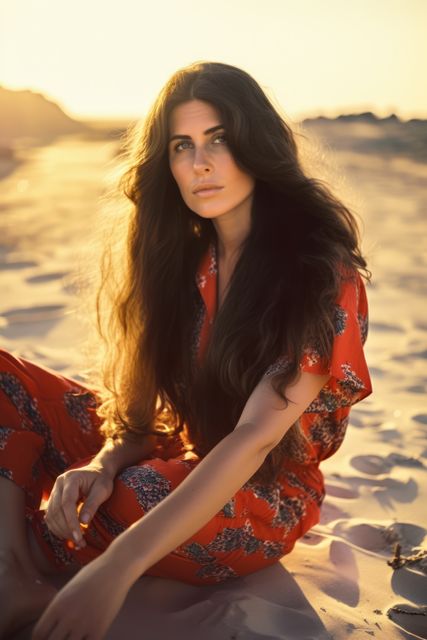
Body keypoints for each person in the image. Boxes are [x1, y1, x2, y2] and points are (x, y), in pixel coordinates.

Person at [0, 61, 372, 639]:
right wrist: (101, 463)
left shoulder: (319, 272)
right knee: (5, 378)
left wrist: (119, 568)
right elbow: (140, 420)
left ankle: (47, 543)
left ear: (256, 145)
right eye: (182, 146)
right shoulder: (181, 260)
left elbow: (255, 438)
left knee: (136, 495)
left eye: (219, 140)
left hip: (264, 492)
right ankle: (12, 576)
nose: (200, 163)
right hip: (176, 455)